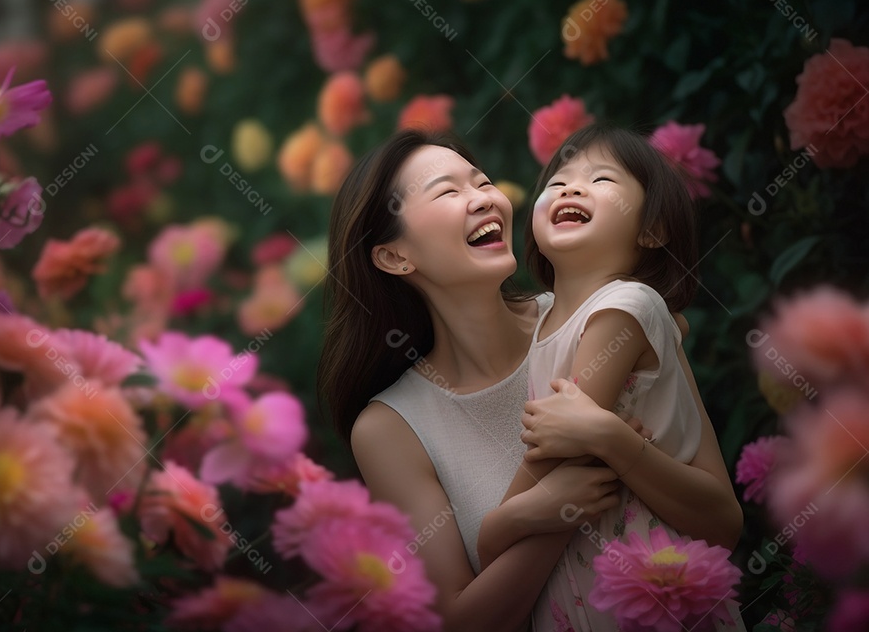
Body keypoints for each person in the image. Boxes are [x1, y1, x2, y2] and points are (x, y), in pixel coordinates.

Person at [317, 129, 741, 631]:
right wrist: (553, 506)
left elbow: (721, 523)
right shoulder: (391, 427)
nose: (484, 199)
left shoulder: (601, 320)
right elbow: (459, 623)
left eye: (483, 182)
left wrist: (542, 506)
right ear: (394, 256)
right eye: (449, 192)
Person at [484, 123, 744, 630]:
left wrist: (496, 525)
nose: (570, 188)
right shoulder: (543, 325)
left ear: (651, 230)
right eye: (557, 182)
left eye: (602, 179)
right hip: (579, 597)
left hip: (647, 597)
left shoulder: (623, 307)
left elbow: (555, 455)